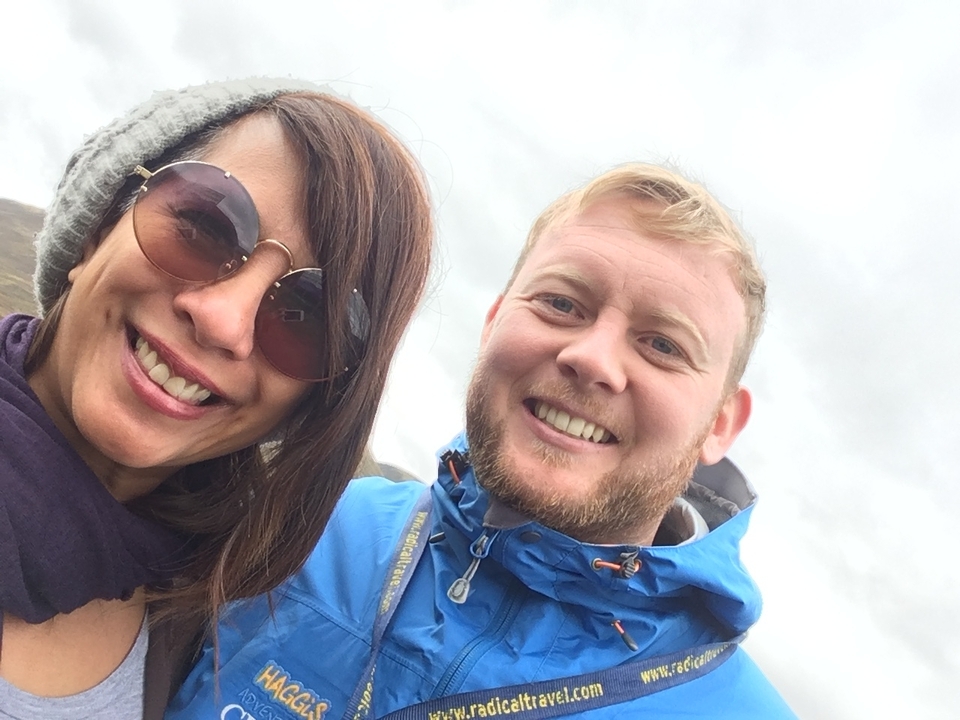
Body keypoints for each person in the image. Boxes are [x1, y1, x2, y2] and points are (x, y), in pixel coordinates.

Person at [168, 164, 797, 718]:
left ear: (720, 423)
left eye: (663, 344)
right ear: (496, 319)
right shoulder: (296, 528)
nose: (591, 357)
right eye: (560, 303)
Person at [0, 78, 433, 720]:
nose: (223, 321)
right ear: (97, 229)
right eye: (203, 225)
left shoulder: (212, 623)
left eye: (308, 316)